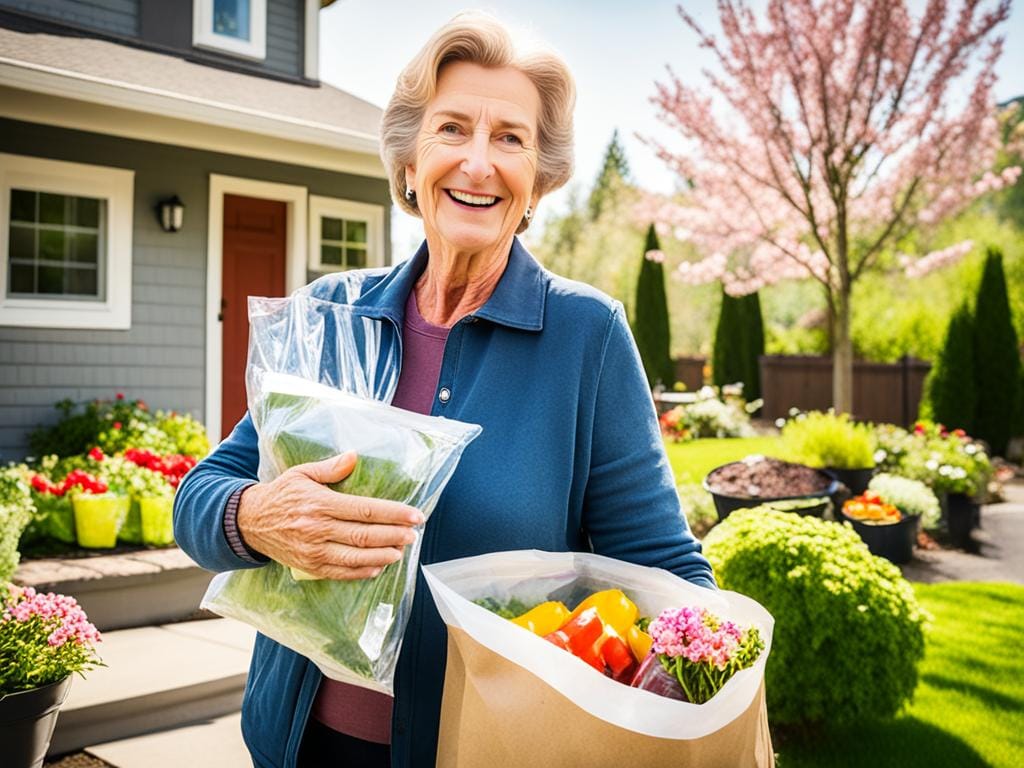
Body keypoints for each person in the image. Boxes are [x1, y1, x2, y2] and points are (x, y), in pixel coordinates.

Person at [173, 12, 715, 768]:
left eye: (511, 138)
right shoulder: (334, 315)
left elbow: (663, 570)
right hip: (296, 744)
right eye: (452, 129)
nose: (478, 162)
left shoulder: (584, 336)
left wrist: (705, 672)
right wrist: (257, 514)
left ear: (538, 180)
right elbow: (200, 498)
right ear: (408, 163)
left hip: (481, 752)